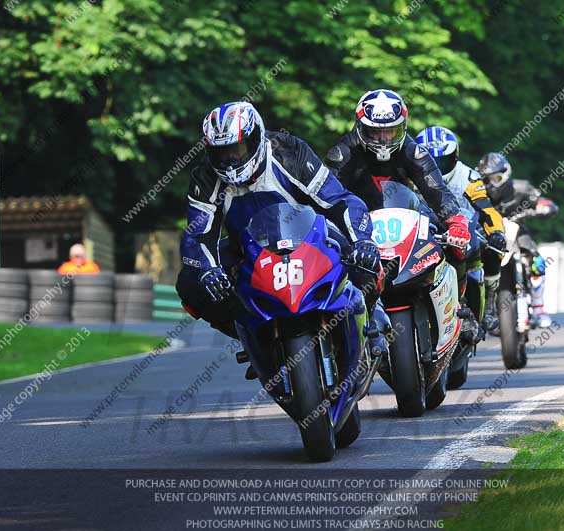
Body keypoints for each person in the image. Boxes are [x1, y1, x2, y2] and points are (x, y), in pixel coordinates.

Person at [177, 101, 390, 355]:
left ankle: (372, 314)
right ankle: (254, 336)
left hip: (311, 237)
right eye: (221, 153)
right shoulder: (206, 176)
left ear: (256, 138)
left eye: (237, 149)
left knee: (358, 252)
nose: (230, 160)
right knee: (189, 283)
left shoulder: (287, 151)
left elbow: (338, 200)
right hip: (248, 250)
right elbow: (197, 235)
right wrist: (208, 271)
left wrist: (362, 240)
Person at [325, 90, 471, 261]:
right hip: (358, 222)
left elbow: (436, 189)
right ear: (360, 128)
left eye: (390, 131)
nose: (383, 139)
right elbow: (326, 195)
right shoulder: (343, 153)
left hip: (405, 213)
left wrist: (456, 222)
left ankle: (457, 284)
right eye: (374, 132)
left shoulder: (414, 152)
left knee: (457, 247)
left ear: (403, 126)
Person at [415, 126, 507, 333]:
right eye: (431, 162)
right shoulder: (409, 173)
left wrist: (497, 233)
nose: (437, 168)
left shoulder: (468, 177)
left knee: (491, 250)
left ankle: (484, 306)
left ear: (454, 157)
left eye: (443, 161)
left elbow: (486, 209)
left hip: (462, 229)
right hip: (421, 230)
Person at [476, 152, 559, 328]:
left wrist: (545, 207)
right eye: (486, 180)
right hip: (489, 236)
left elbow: (541, 201)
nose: (491, 184)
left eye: (496, 178)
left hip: (518, 232)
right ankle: (480, 310)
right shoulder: (478, 192)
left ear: (506, 175)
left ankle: (538, 308)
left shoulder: (521, 188)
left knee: (537, 262)